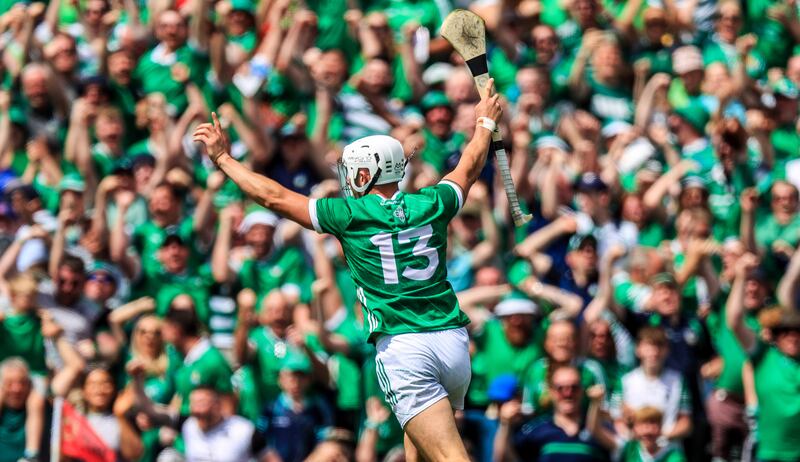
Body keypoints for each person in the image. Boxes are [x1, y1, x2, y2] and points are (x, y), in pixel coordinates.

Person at [193, 78, 503, 462]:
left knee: (450, 457)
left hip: (405, 345)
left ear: (363, 176)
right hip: (453, 343)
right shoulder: (433, 201)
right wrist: (484, 124)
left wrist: (223, 159)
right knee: (419, 453)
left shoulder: (349, 214)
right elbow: (469, 166)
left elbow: (272, 196)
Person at [182, 386, 255, 462]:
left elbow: (266, 457)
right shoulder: (188, 426)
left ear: (216, 405)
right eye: (193, 403)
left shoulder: (242, 429)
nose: (196, 410)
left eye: (201, 403)